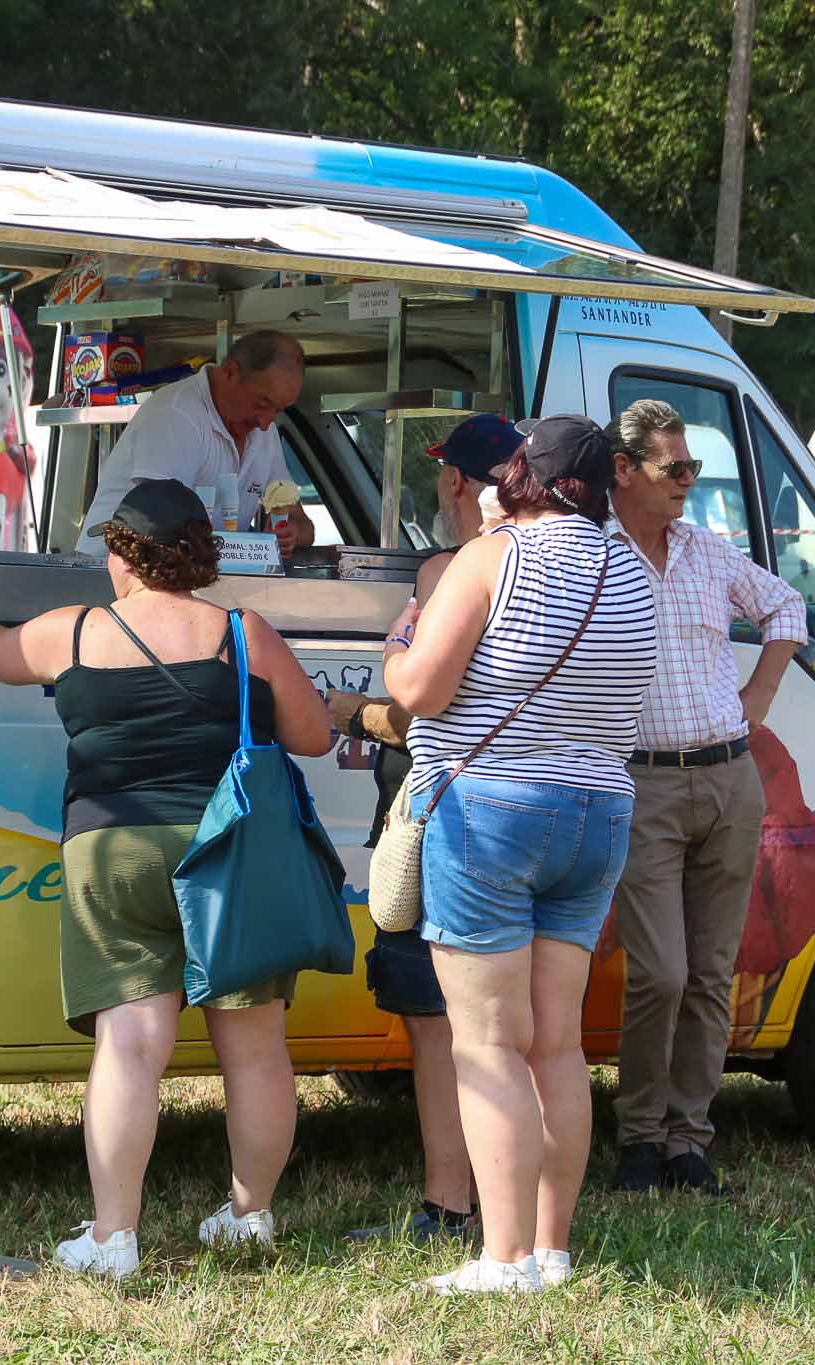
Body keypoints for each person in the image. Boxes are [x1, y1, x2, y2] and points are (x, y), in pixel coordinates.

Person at [0, 478, 332, 1281]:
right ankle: (249, 1218)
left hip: (110, 851)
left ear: (123, 552)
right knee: (253, 1048)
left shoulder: (73, 632)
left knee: (131, 1043)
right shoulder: (242, 633)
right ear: (200, 553)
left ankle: (114, 1237)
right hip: (228, 853)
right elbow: (313, 735)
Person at [382, 415, 657, 1295]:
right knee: (556, 1045)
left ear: (522, 479)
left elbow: (422, 688)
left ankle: (501, 1259)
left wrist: (396, 651)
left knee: (489, 1045)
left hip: (492, 811)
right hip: (600, 813)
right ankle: (551, 1248)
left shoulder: (493, 556)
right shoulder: (632, 571)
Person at [605, 398, 807, 1200]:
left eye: (692, 467)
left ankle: (689, 1142)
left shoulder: (707, 551)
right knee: (660, 971)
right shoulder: (596, 553)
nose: (689, 481)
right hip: (643, 780)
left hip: (729, 778)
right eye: (674, 468)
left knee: (712, 972)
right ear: (625, 470)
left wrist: (760, 689)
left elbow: (786, 606)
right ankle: (638, 1137)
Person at [329, 413, 523, 1246]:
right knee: (522, 1024)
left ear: (455, 485)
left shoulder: (453, 569)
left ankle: (451, 1203)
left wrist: (356, 712)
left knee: (438, 1020)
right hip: (541, 811)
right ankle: (526, 1210)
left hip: (442, 810)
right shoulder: (569, 561)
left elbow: (418, 710)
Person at [76, 330, 315, 557]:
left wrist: (291, 534)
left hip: (193, 575)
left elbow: (302, 523)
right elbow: (157, 528)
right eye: (261, 403)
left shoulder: (265, 432)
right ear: (230, 372)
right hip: (116, 574)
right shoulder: (176, 414)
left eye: (277, 410)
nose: (265, 422)